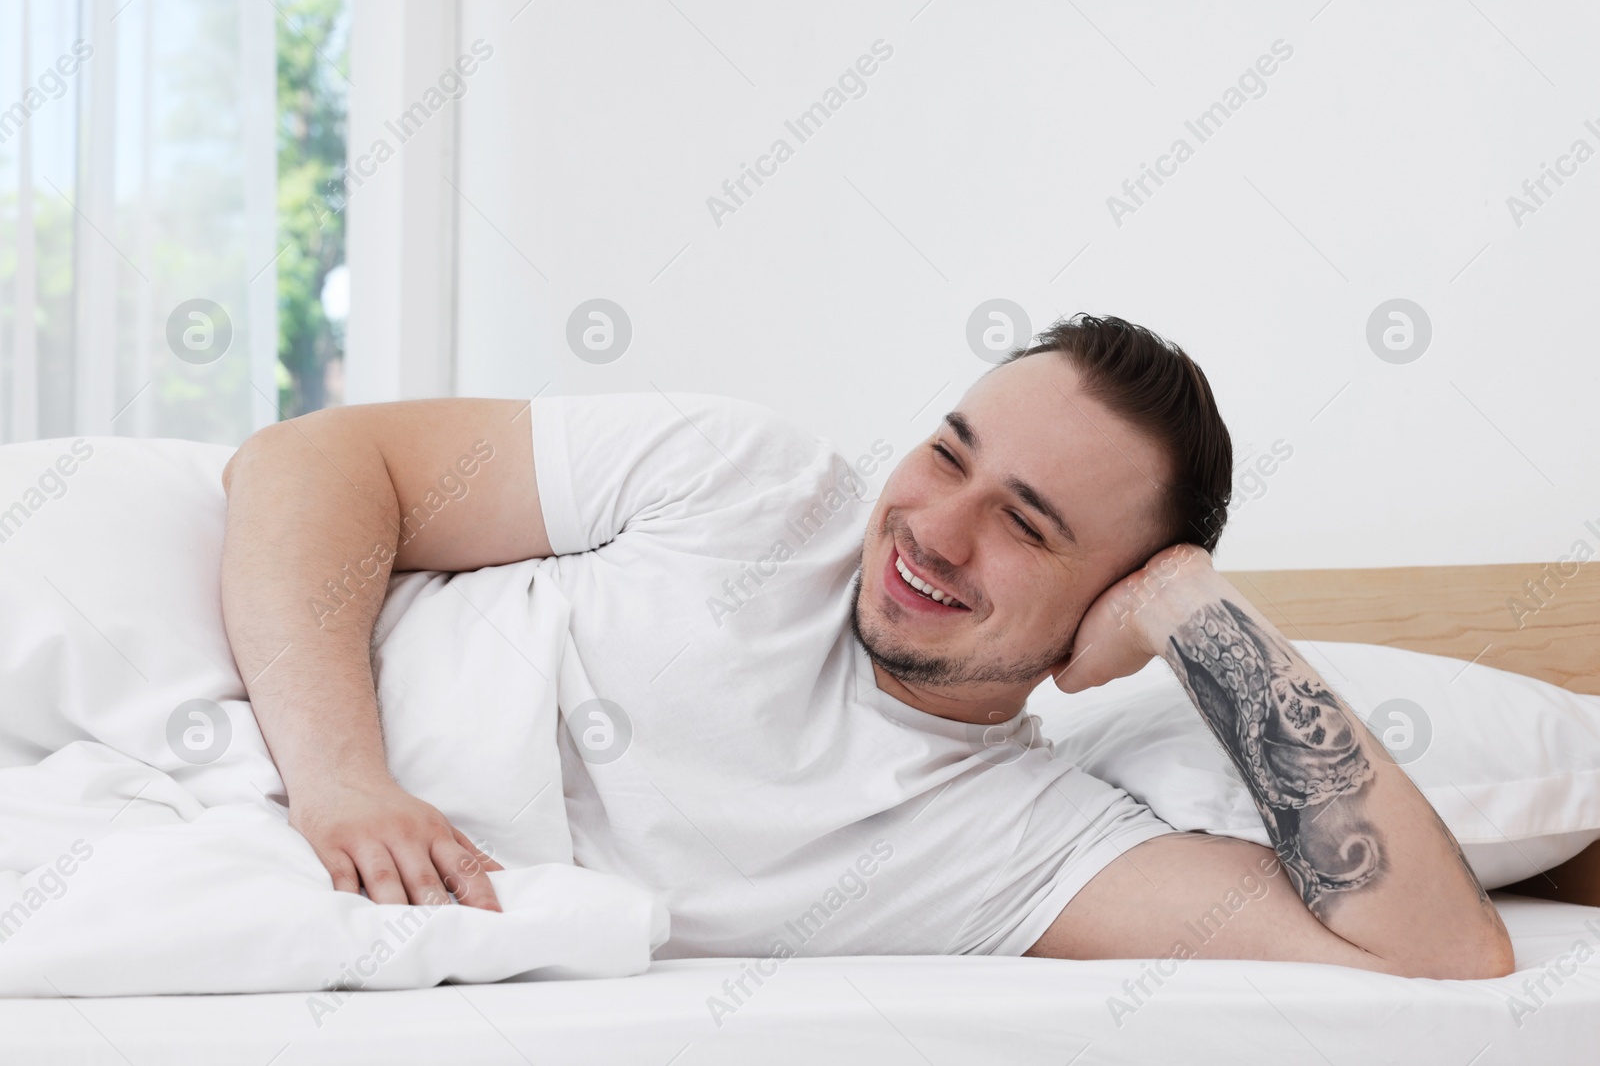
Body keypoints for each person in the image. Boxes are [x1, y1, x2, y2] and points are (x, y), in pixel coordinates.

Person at [218, 313, 1512, 977]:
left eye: (1028, 525)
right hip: (228, 678)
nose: (934, 530)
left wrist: (1199, 618)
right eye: (949, 451)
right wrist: (342, 781)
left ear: (1106, 607)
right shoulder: (747, 483)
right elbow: (312, 463)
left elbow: (1435, 947)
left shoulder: (1025, 846)